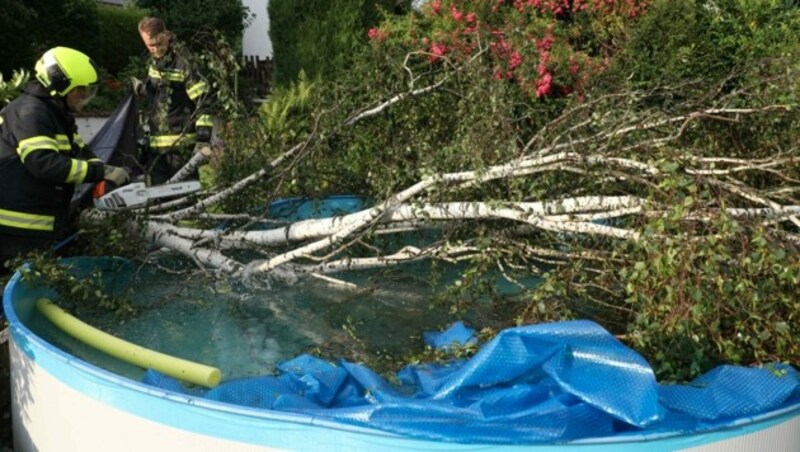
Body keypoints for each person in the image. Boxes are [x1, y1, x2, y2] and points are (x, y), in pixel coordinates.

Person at [0, 47, 131, 273]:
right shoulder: (31, 112)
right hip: (16, 227)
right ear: (59, 84)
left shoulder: (58, 114)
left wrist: (106, 168)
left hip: (40, 222)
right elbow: (42, 163)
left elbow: (80, 150)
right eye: (80, 91)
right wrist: (99, 173)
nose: (84, 97)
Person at [133, 16, 213, 185]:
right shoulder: (155, 62)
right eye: (150, 46)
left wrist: (203, 141)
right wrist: (144, 89)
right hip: (156, 148)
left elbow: (204, 104)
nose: (155, 49)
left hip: (180, 149)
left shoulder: (185, 63)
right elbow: (162, 96)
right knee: (159, 202)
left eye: (158, 44)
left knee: (183, 200)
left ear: (167, 35)